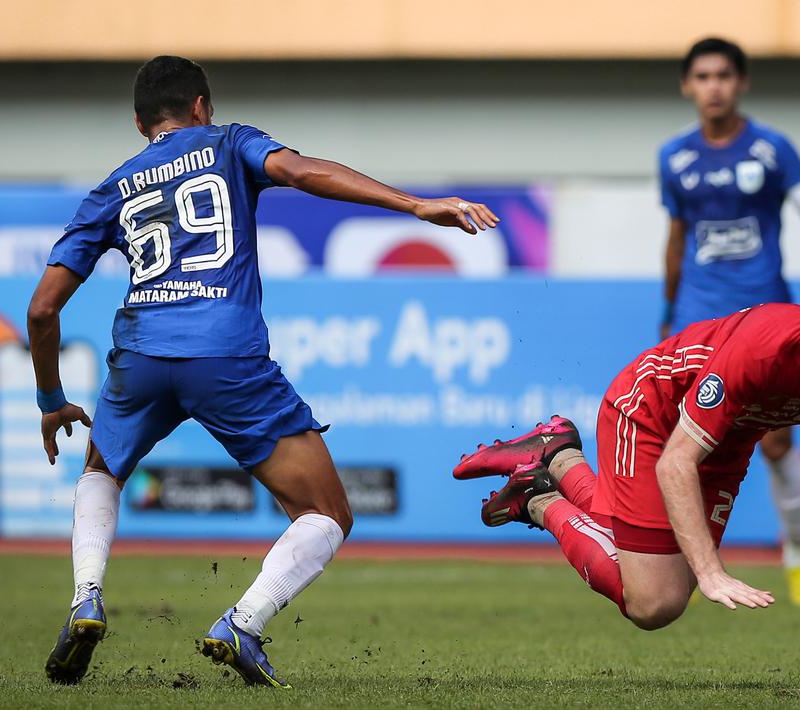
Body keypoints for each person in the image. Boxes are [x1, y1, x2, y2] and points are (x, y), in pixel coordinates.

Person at [28, 55, 499, 688]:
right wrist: (414, 205)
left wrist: (51, 397)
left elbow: (41, 308)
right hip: (224, 352)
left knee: (102, 469)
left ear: (140, 123)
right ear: (201, 106)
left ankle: (87, 597)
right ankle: (242, 623)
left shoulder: (112, 187)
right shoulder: (229, 143)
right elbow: (305, 172)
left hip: (140, 354)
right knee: (326, 512)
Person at [454, 289, 800, 672]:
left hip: (727, 441)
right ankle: (537, 497)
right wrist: (710, 571)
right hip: (651, 412)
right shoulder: (768, 345)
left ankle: (556, 454)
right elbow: (675, 463)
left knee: (658, 584)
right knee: (653, 603)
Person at [658, 37, 800, 606]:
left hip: (768, 318)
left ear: (740, 84)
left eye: (723, 76)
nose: (713, 86)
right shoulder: (674, 158)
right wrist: (668, 314)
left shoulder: (772, 149)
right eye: (703, 76)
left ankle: (798, 557)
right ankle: (679, 560)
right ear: (688, 86)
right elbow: (677, 238)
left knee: (778, 445)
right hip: (697, 317)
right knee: (682, 443)